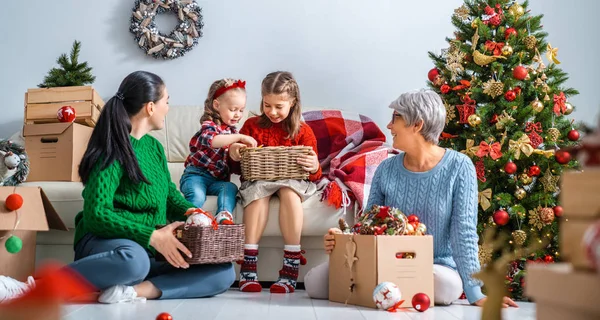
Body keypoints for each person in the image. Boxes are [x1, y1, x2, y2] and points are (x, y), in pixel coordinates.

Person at [11, 71, 234, 304]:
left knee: (223, 271)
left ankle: (130, 292)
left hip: (149, 250)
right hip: (107, 242)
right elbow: (96, 214)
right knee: (133, 261)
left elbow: (168, 195)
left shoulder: (155, 148)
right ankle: (34, 288)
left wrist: (194, 213)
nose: (168, 108)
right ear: (150, 107)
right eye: (166, 101)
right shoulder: (112, 148)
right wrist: (152, 236)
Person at [303, 89, 518, 308]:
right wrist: (343, 239)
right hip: (383, 262)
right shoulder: (386, 168)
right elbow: (367, 224)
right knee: (314, 283)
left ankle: (379, 289)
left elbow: (463, 232)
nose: (389, 126)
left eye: (396, 118)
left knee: (448, 287)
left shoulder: (459, 167)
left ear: (417, 124)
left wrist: (475, 292)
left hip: (434, 265)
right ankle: (388, 287)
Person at [228, 71, 321, 294]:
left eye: (279, 106)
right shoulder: (251, 125)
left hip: (293, 181)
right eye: (267, 105)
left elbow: (315, 175)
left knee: (289, 192)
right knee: (258, 192)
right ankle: (248, 267)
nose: (272, 112)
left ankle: (290, 267)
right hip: (259, 179)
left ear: (293, 102)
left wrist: (315, 165)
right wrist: (234, 152)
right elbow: (235, 168)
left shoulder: (303, 130)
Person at [180, 78, 257, 225]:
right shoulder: (209, 125)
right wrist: (240, 137)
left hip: (218, 180)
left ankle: (223, 216)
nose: (238, 115)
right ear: (217, 105)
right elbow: (213, 141)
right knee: (197, 195)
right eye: (233, 109)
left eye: (241, 110)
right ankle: (190, 220)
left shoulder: (232, 131)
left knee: (230, 188)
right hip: (196, 176)